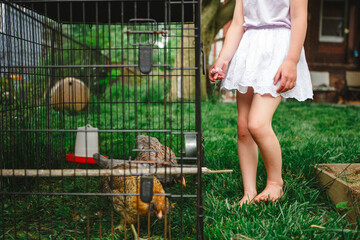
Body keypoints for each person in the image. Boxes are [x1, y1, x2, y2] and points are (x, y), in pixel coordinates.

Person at [209, 0, 313, 206]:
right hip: (250, 49)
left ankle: (275, 183)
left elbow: (299, 19)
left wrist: (291, 60)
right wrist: (223, 59)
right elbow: (238, 23)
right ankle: (249, 191)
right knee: (243, 127)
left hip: (279, 50)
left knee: (257, 123)